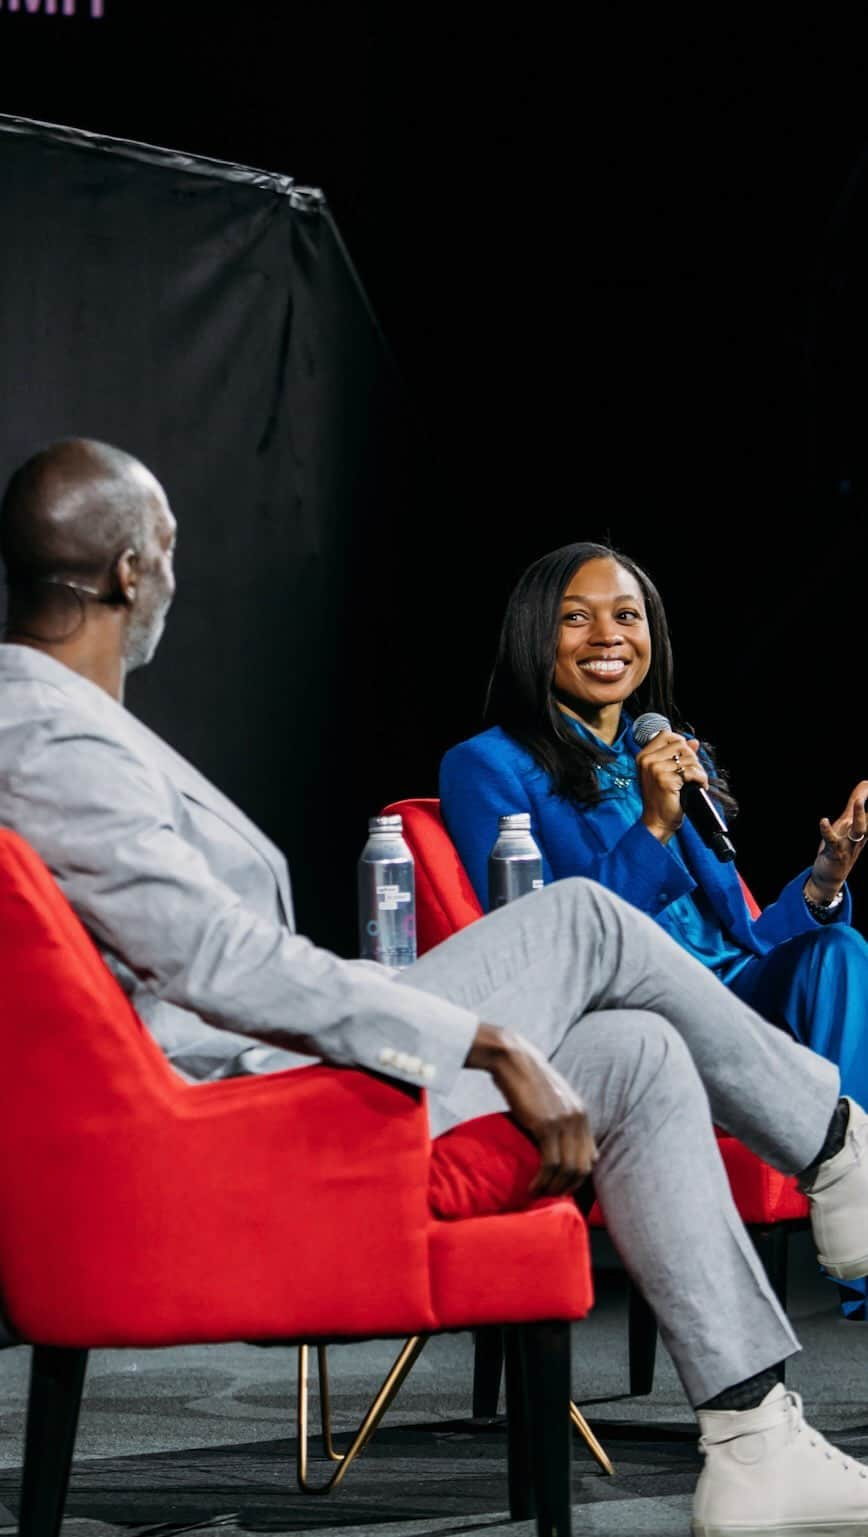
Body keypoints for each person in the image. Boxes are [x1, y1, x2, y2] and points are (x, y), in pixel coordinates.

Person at [1, 445, 868, 1537]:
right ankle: (838, 1147)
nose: (177, 571)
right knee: (586, 921)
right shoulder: (39, 732)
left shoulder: (58, 720)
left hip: (266, 1074)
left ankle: (754, 1441)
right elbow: (216, 962)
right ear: (132, 571)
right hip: (235, 1114)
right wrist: (480, 1039)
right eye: (171, 546)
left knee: (639, 1052)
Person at [440, 540, 868, 1322]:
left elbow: (745, 936)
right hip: (633, 1015)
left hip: (733, 998)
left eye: (626, 615)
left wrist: (822, 882)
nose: (608, 635)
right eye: (577, 618)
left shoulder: (668, 750)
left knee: (839, 948)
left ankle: (858, 1236)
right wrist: (653, 823)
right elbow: (555, 937)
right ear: (535, 634)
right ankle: (844, 1188)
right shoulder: (489, 765)